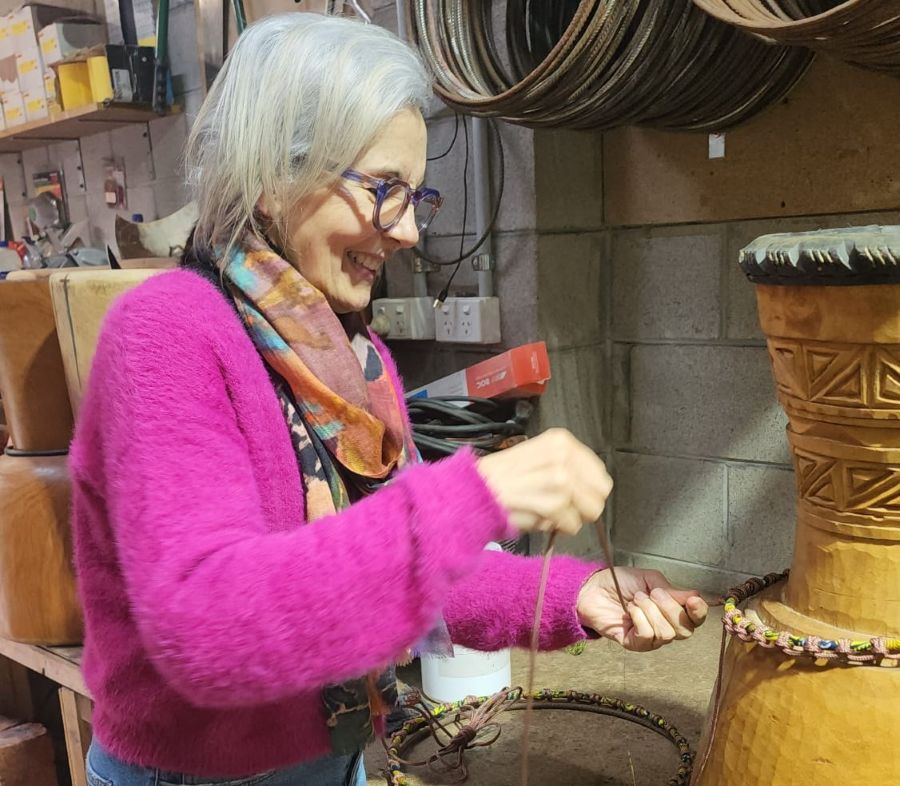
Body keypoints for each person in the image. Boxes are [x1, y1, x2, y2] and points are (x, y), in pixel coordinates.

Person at [71, 13, 708, 786]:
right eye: (383, 190)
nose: (406, 231)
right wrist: (474, 494)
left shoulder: (348, 356)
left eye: (416, 196)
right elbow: (205, 627)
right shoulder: (168, 331)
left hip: (335, 756)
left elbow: (412, 563)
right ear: (274, 174)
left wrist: (573, 594)